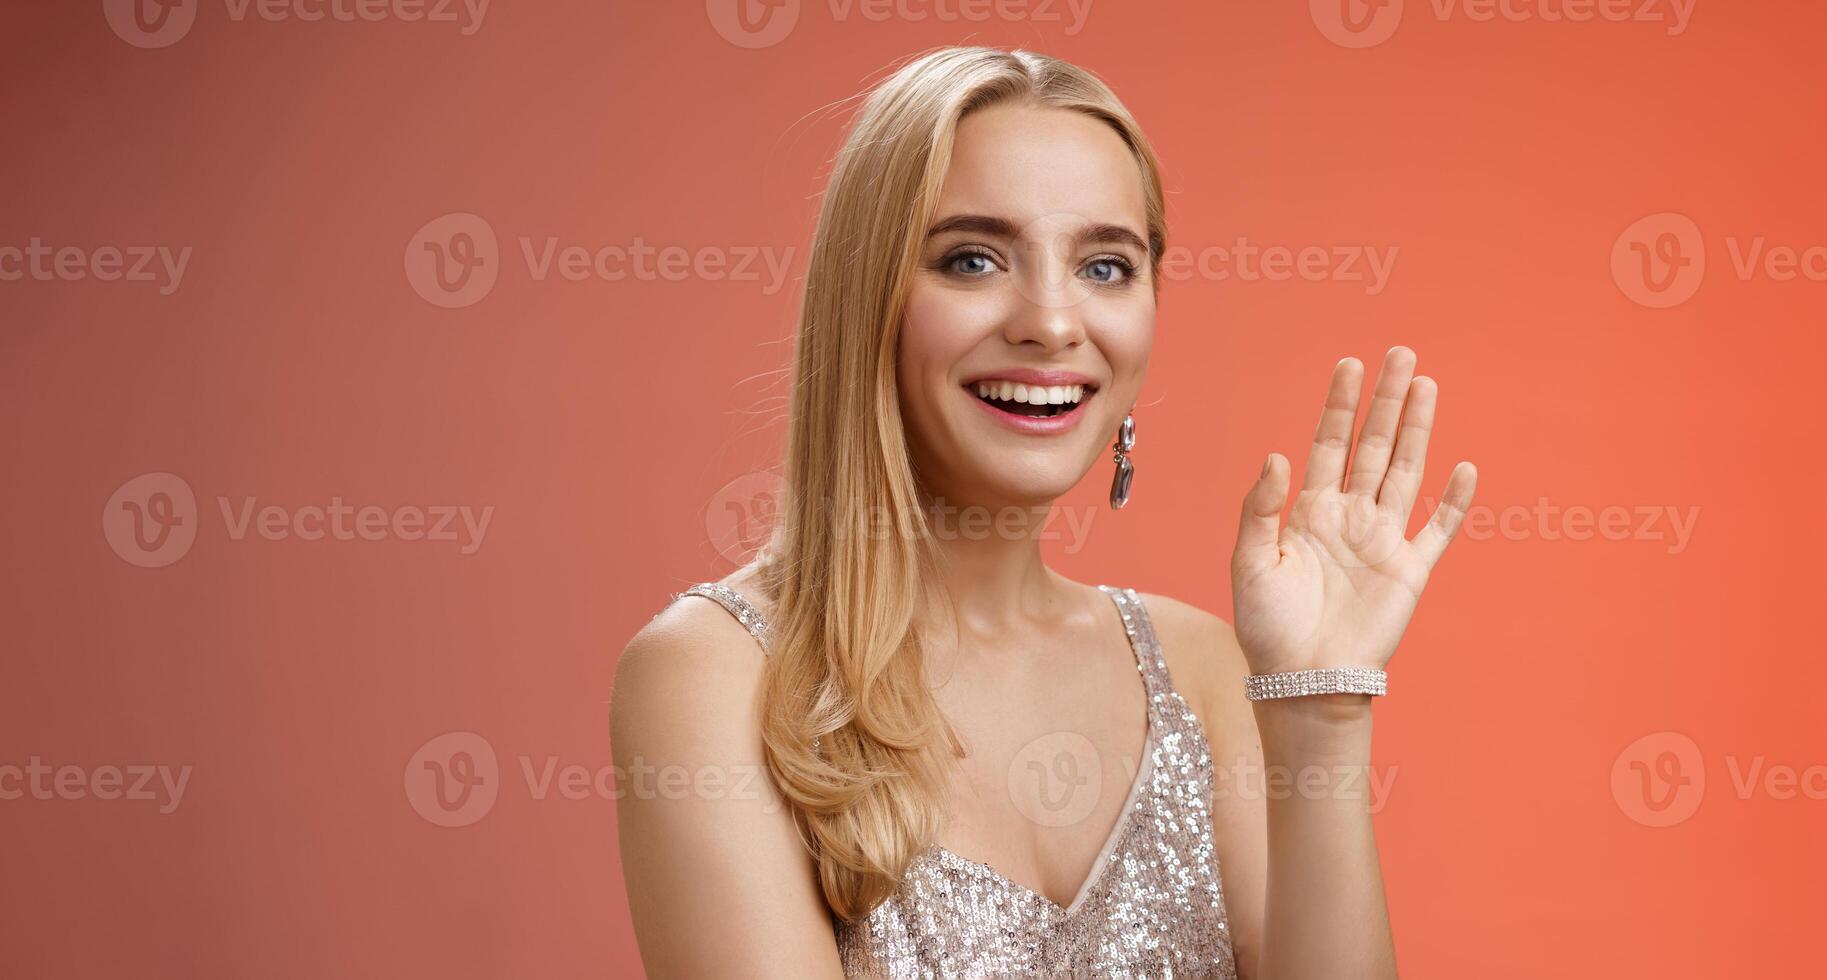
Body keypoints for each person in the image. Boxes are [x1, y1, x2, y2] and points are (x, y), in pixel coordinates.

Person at [612, 46, 1476, 978]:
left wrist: (1326, 714)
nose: (1053, 322)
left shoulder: (1204, 669)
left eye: (1106, 266)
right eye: (973, 259)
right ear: (869, 300)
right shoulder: (714, 676)